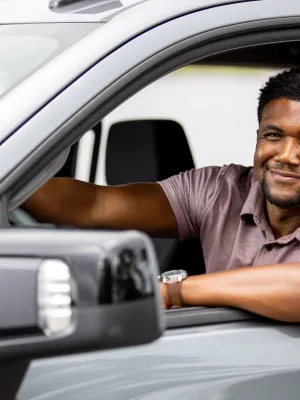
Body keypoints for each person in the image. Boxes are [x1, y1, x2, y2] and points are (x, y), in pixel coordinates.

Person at [23, 67, 300, 322]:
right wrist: (12, 179)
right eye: (274, 136)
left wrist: (171, 291)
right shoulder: (220, 189)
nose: (286, 156)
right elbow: (92, 205)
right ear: (258, 136)